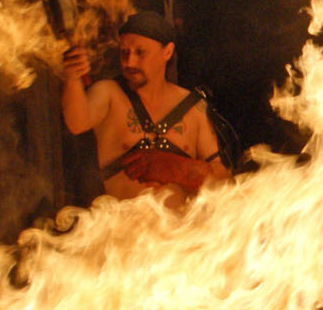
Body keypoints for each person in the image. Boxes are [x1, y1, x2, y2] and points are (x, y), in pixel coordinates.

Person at [61, 11, 231, 201]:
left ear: (167, 52)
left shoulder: (193, 107)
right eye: (124, 52)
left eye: (140, 52)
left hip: (182, 228)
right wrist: (72, 77)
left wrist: (178, 168)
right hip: (124, 227)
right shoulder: (109, 94)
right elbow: (77, 123)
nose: (129, 61)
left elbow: (224, 180)